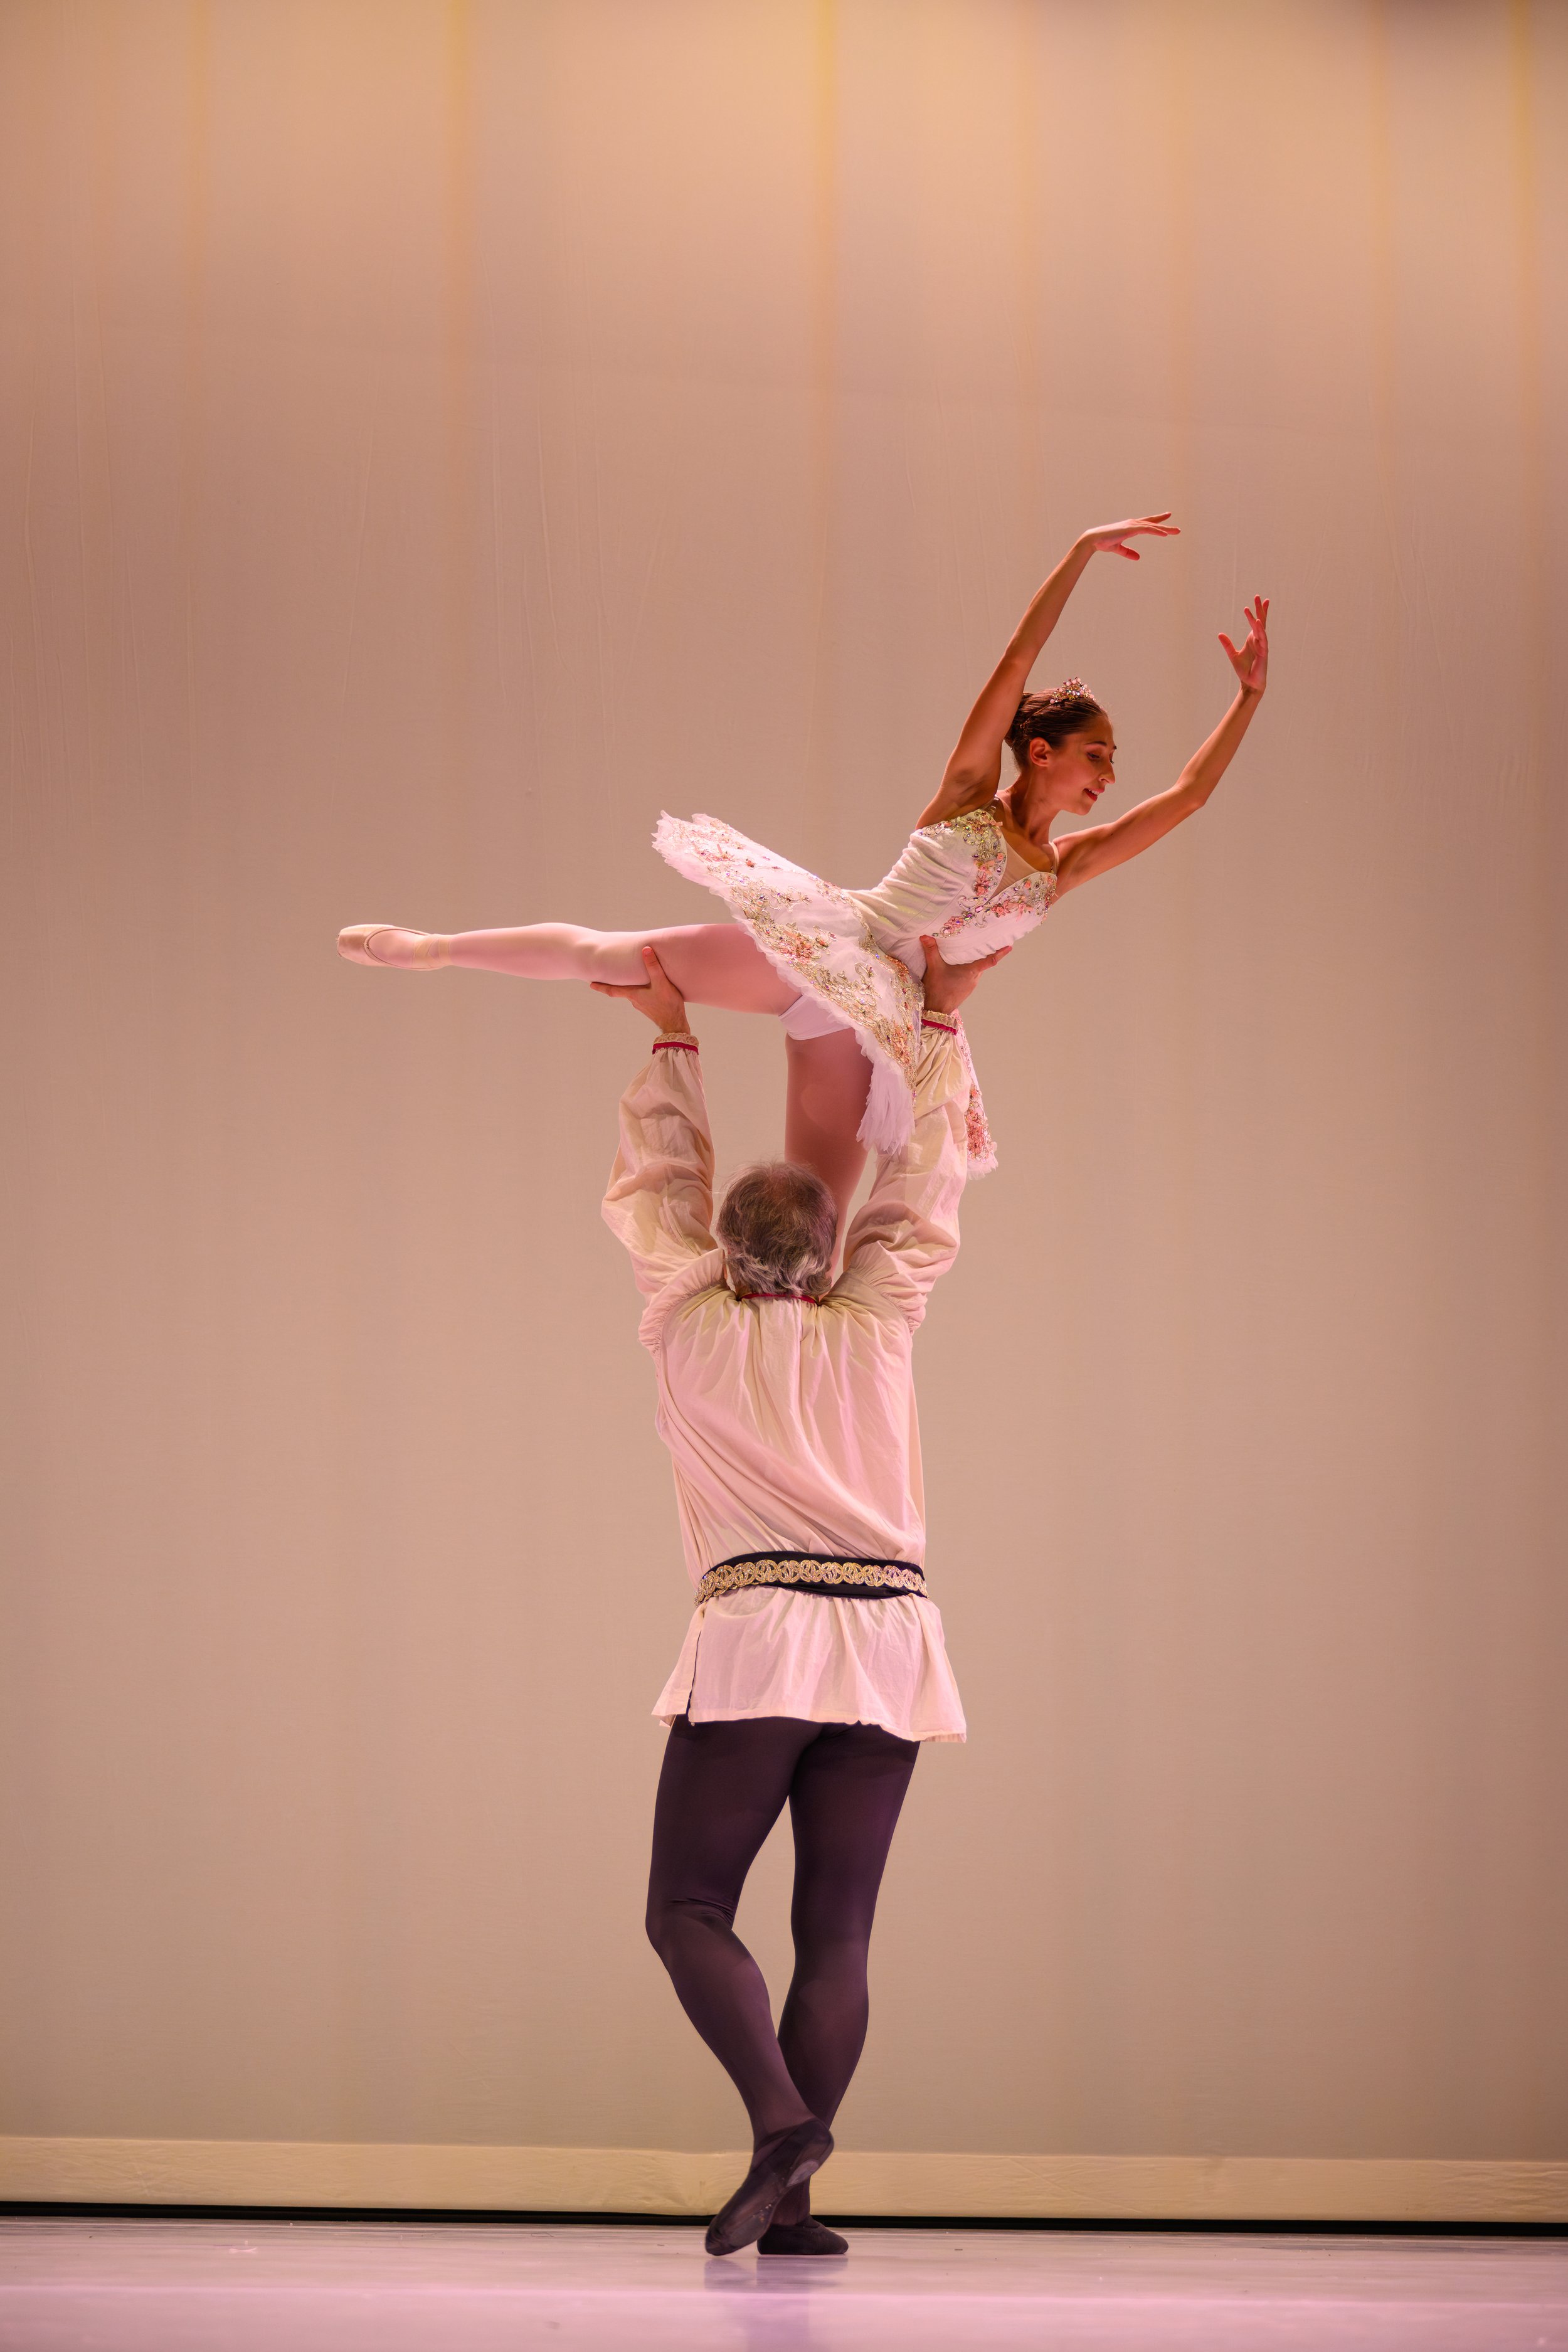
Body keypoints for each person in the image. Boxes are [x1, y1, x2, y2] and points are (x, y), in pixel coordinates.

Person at [338, 517, 1269, 1224]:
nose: (1110, 777)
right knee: (622, 956)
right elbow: (1017, 656)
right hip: (836, 951)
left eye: (1112, 763)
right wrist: (1076, 553)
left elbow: (1188, 797)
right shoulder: (966, 794)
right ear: (1040, 748)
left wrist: (1248, 699)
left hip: (889, 1025)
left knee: (811, 1237)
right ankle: (434, 948)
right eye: (1097, 756)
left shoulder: (1062, 868)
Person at [596, 929, 1005, 2259]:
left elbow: (662, 1182)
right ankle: (796, 2204)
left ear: (720, 1252)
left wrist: (667, 1031)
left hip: (766, 1631)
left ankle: (780, 2130)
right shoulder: (876, 1315)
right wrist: (937, 1028)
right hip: (891, 1638)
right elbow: (923, 1186)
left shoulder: (686, 1316)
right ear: (830, 1251)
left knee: (686, 1910)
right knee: (834, 1928)